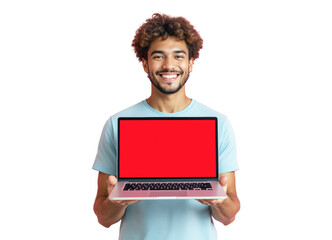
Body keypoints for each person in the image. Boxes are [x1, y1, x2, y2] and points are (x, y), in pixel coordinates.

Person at [93, 13, 240, 240]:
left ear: (191, 63)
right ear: (145, 63)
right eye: (159, 56)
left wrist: (219, 202)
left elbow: (229, 215)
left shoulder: (219, 124)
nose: (169, 65)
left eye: (178, 56)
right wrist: (117, 201)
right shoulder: (116, 124)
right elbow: (103, 217)